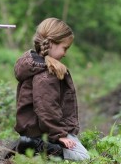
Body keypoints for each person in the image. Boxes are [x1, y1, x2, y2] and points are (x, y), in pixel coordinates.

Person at [7, 18, 90, 161]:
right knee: (83, 157)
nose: (65, 53)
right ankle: (36, 146)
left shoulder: (34, 66)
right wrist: (60, 135)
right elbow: (46, 108)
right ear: (51, 43)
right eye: (65, 48)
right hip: (42, 133)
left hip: (36, 130)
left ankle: (30, 143)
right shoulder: (46, 74)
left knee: (76, 146)